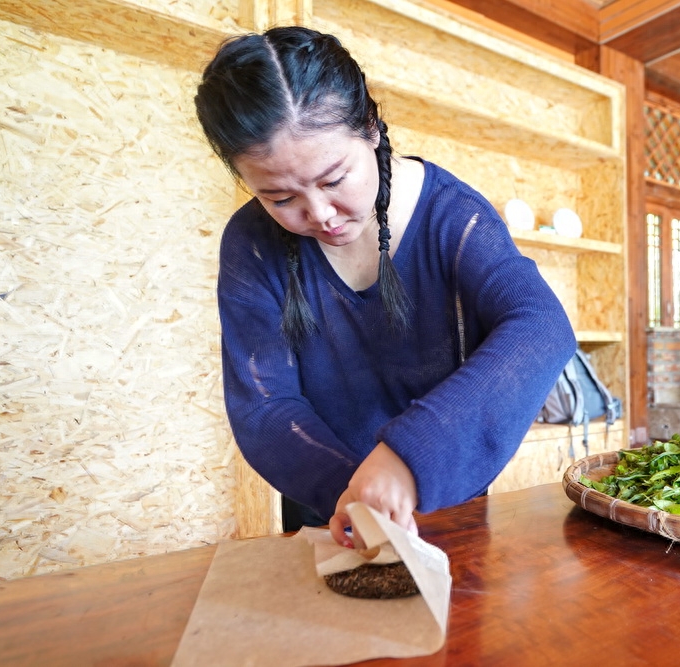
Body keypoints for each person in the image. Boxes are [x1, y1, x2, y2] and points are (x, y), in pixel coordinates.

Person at [194, 26, 576, 546]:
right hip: (330, 512)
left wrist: (406, 458)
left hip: (443, 505)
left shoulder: (453, 218)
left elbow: (542, 326)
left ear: (371, 128)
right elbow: (264, 405)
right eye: (281, 198)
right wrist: (355, 493)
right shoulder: (252, 244)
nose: (321, 214)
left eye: (333, 179)